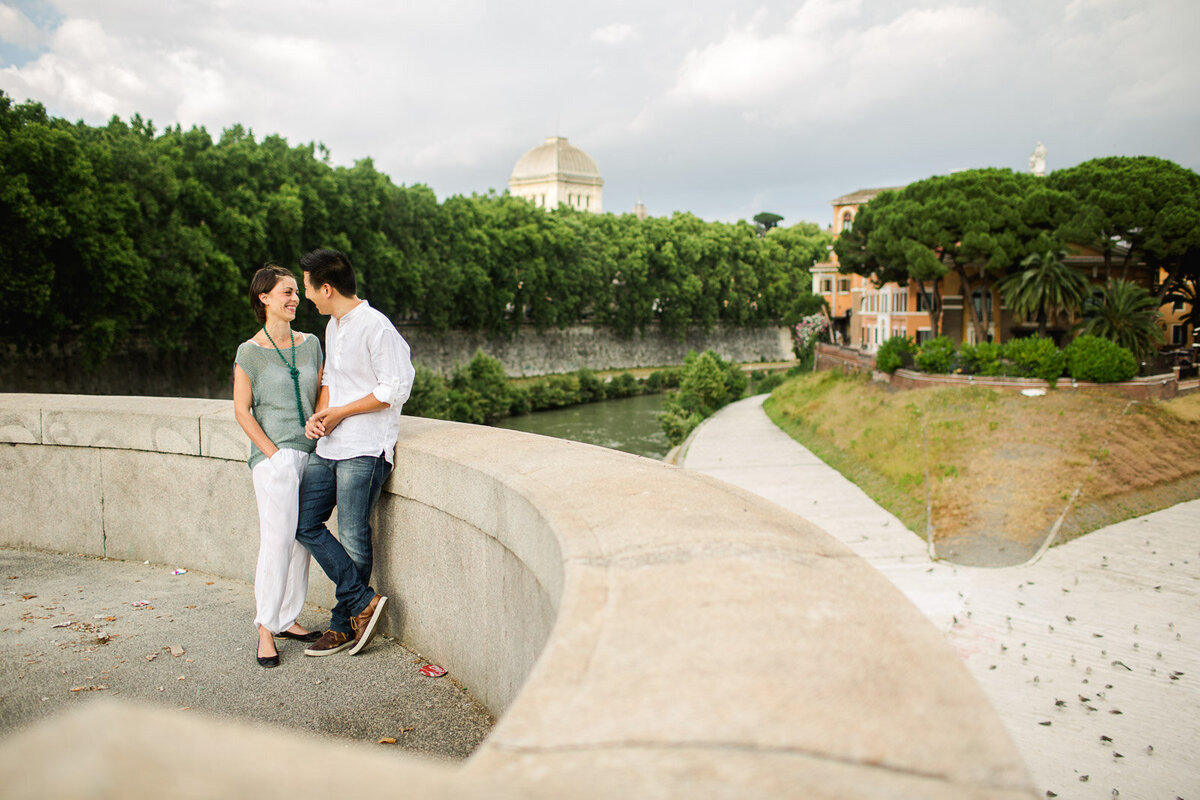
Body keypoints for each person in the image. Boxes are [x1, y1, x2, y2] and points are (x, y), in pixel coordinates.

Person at [295, 248, 416, 657]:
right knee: (303, 521)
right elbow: (330, 377)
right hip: (330, 445)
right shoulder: (334, 325)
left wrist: (343, 412)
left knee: (352, 537)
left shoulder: (376, 327)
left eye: (309, 288)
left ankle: (342, 625)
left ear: (326, 288)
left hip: (365, 447)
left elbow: (395, 388)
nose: (306, 295)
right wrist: (321, 416)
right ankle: (362, 601)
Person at [232, 265, 325, 668]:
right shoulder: (249, 352)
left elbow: (325, 386)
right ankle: (265, 628)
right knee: (276, 540)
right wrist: (274, 455)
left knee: (302, 539)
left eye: (295, 292)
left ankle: (287, 617)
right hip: (275, 458)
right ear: (264, 298)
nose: (294, 299)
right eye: (286, 292)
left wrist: (319, 427)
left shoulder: (311, 344)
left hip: (314, 452)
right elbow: (241, 410)